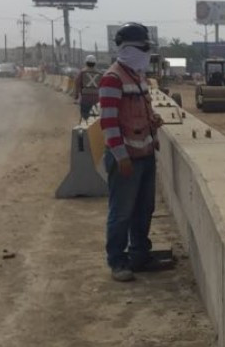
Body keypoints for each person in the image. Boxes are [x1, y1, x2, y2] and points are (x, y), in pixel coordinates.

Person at [98, 23, 175, 282]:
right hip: (126, 158)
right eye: (143, 49)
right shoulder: (112, 78)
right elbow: (108, 122)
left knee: (144, 209)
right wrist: (121, 157)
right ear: (129, 49)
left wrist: (153, 125)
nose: (146, 54)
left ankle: (140, 255)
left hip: (145, 154)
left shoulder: (138, 78)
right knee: (122, 213)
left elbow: (142, 112)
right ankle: (118, 262)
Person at [74, 55, 102, 121]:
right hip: (97, 99)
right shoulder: (100, 73)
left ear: (86, 63)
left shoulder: (82, 72)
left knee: (84, 117)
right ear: (95, 63)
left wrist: (76, 95)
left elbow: (77, 83)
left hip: (85, 98)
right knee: (96, 118)